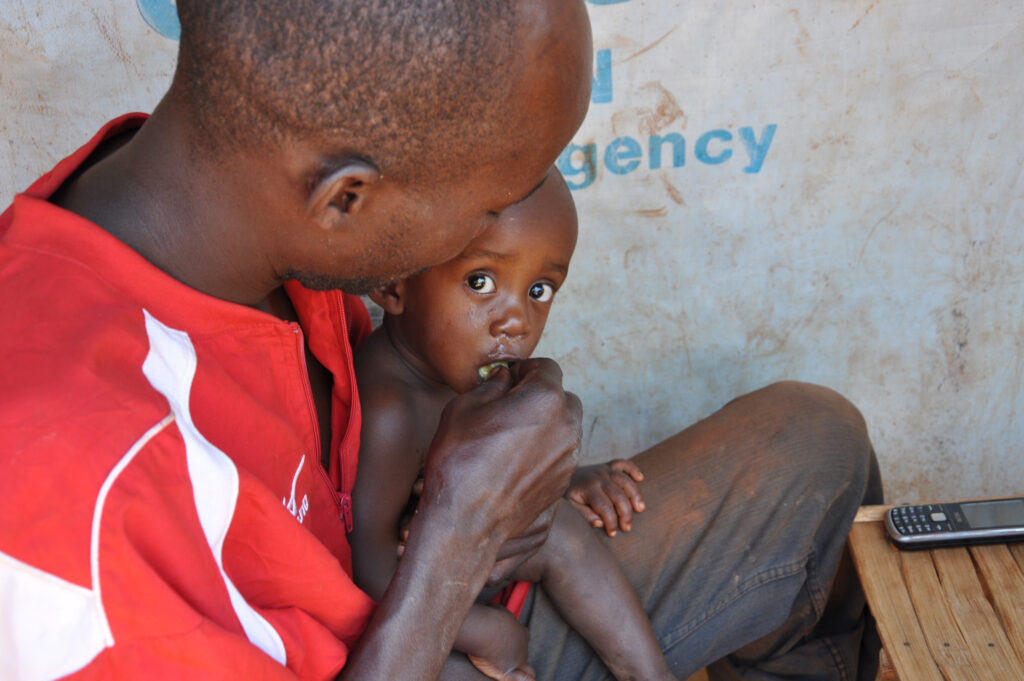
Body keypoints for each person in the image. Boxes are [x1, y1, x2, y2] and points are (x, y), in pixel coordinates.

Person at [0, 1, 882, 680]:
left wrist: (509, 503)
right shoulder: (71, 505)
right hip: (422, 632)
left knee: (813, 446)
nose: (512, 225)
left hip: (431, 613)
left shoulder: (239, 214)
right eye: (490, 201)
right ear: (348, 202)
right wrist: (458, 538)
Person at [351, 168, 673, 681]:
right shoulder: (389, 407)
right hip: (414, 611)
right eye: (481, 282)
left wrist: (565, 479)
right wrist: (485, 630)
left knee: (559, 528)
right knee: (556, 536)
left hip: (477, 567)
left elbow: (495, 478)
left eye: (540, 290)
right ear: (394, 283)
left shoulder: (459, 367)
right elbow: (367, 571)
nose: (517, 320)